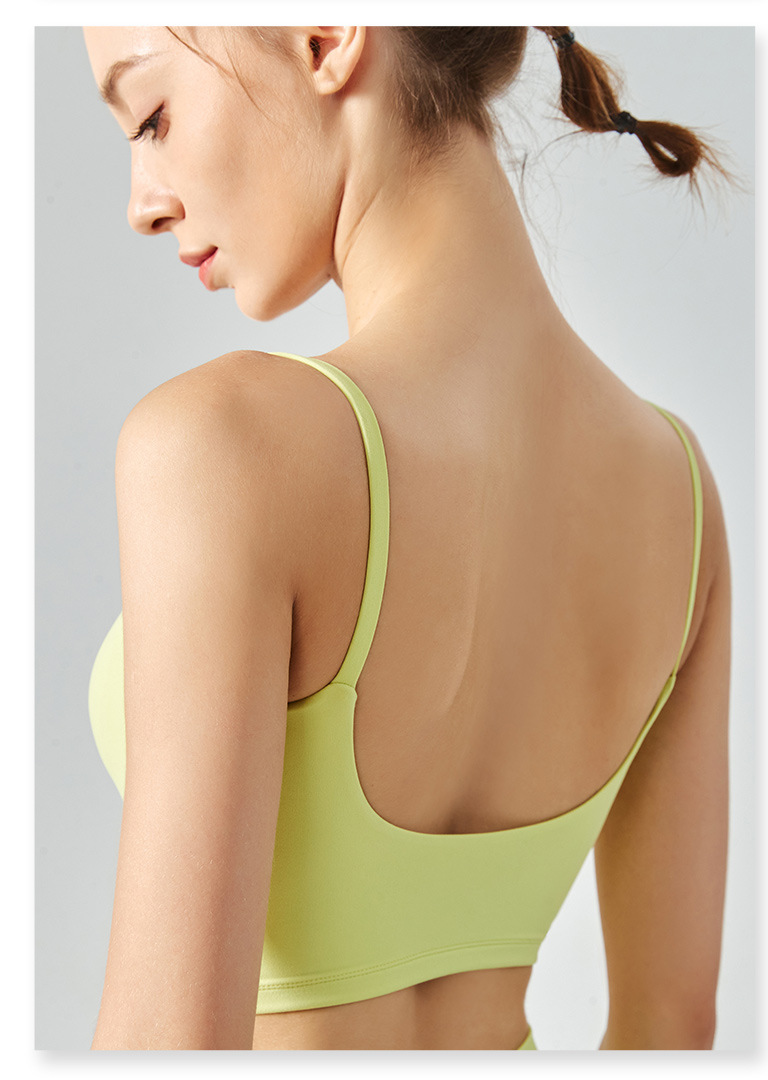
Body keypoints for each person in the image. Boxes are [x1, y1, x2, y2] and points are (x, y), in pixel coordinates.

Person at [83, 26, 734, 1051]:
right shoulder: (682, 495)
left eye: (153, 117)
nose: (142, 203)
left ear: (326, 37)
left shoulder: (224, 448)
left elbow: (167, 1043)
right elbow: (669, 1031)